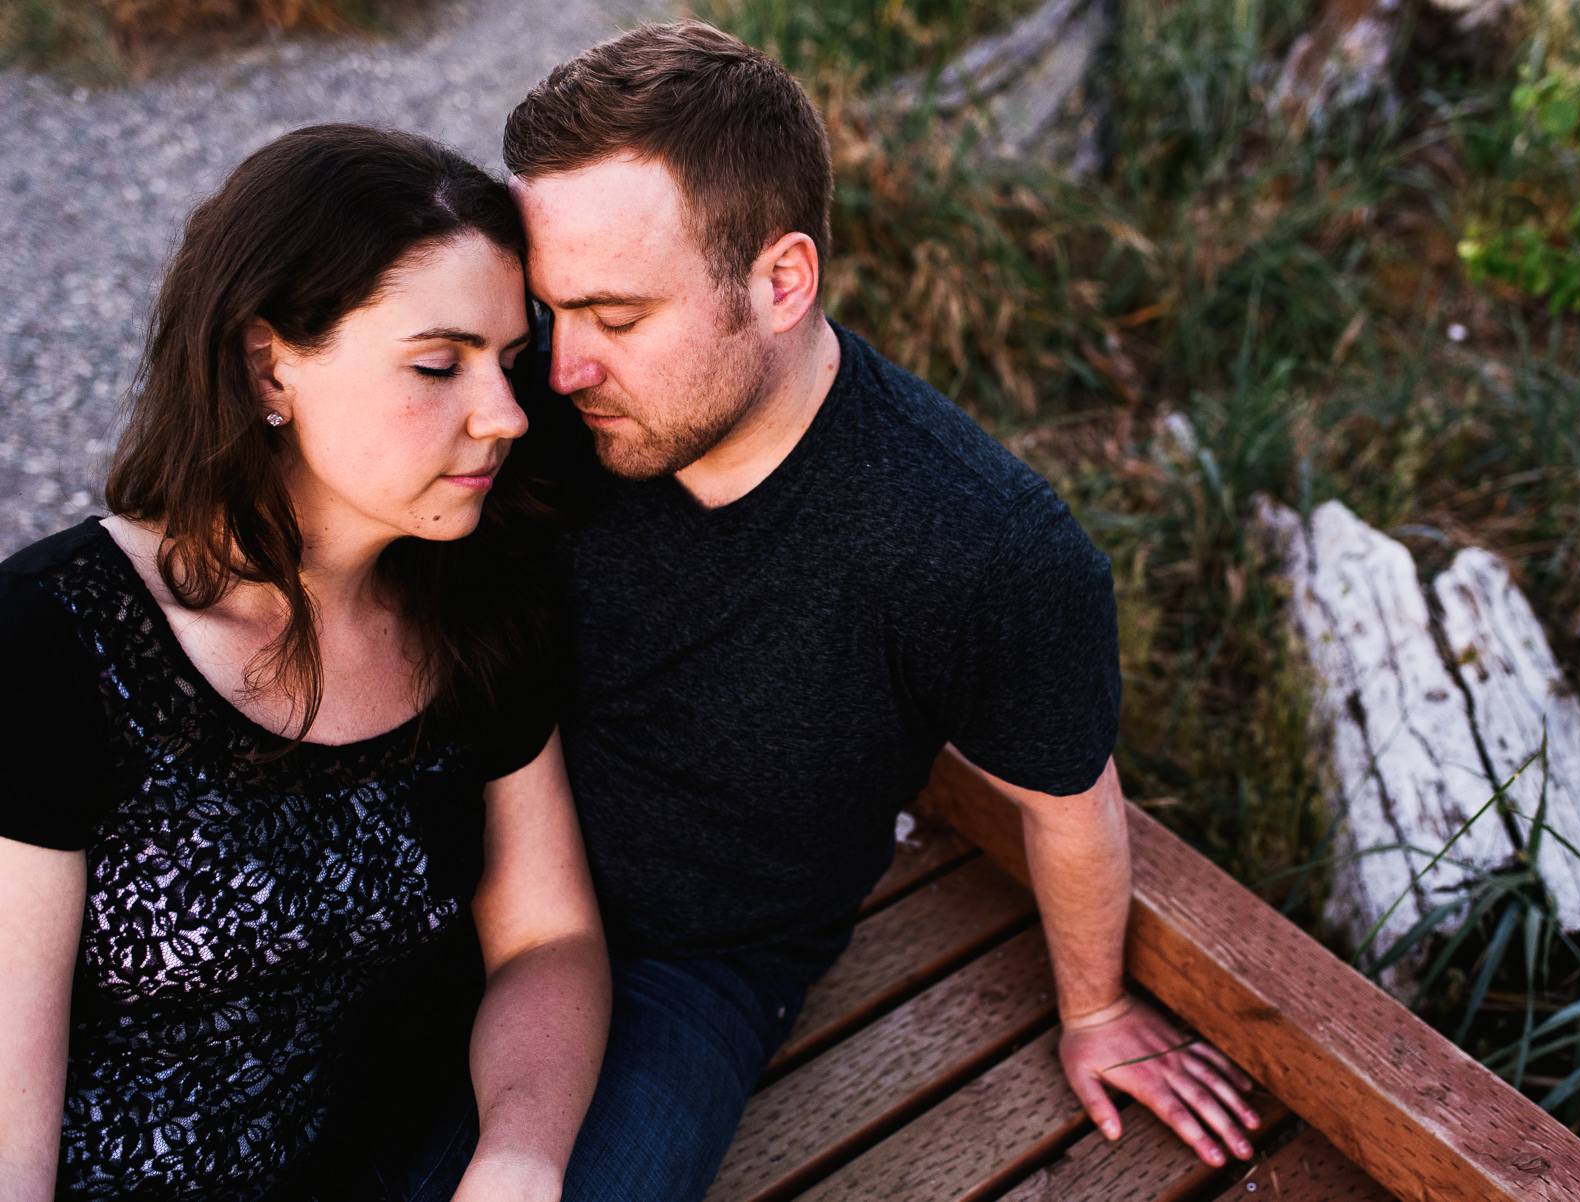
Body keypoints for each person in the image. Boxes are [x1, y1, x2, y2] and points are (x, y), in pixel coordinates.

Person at [500, 21, 1261, 1201]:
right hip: (475, 856)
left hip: (699, 960)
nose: (564, 370)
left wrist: (1097, 1007)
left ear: (781, 280)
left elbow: (1069, 803)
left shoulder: (977, 543)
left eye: (619, 315)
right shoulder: (536, 412)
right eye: (556, 311)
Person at [0, 125, 608, 1202]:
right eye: (438, 362)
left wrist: (519, 1150)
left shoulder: (471, 601)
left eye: (508, 362)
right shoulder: (51, 643)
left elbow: (547, 936)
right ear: (265, 362)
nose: (506, 414)